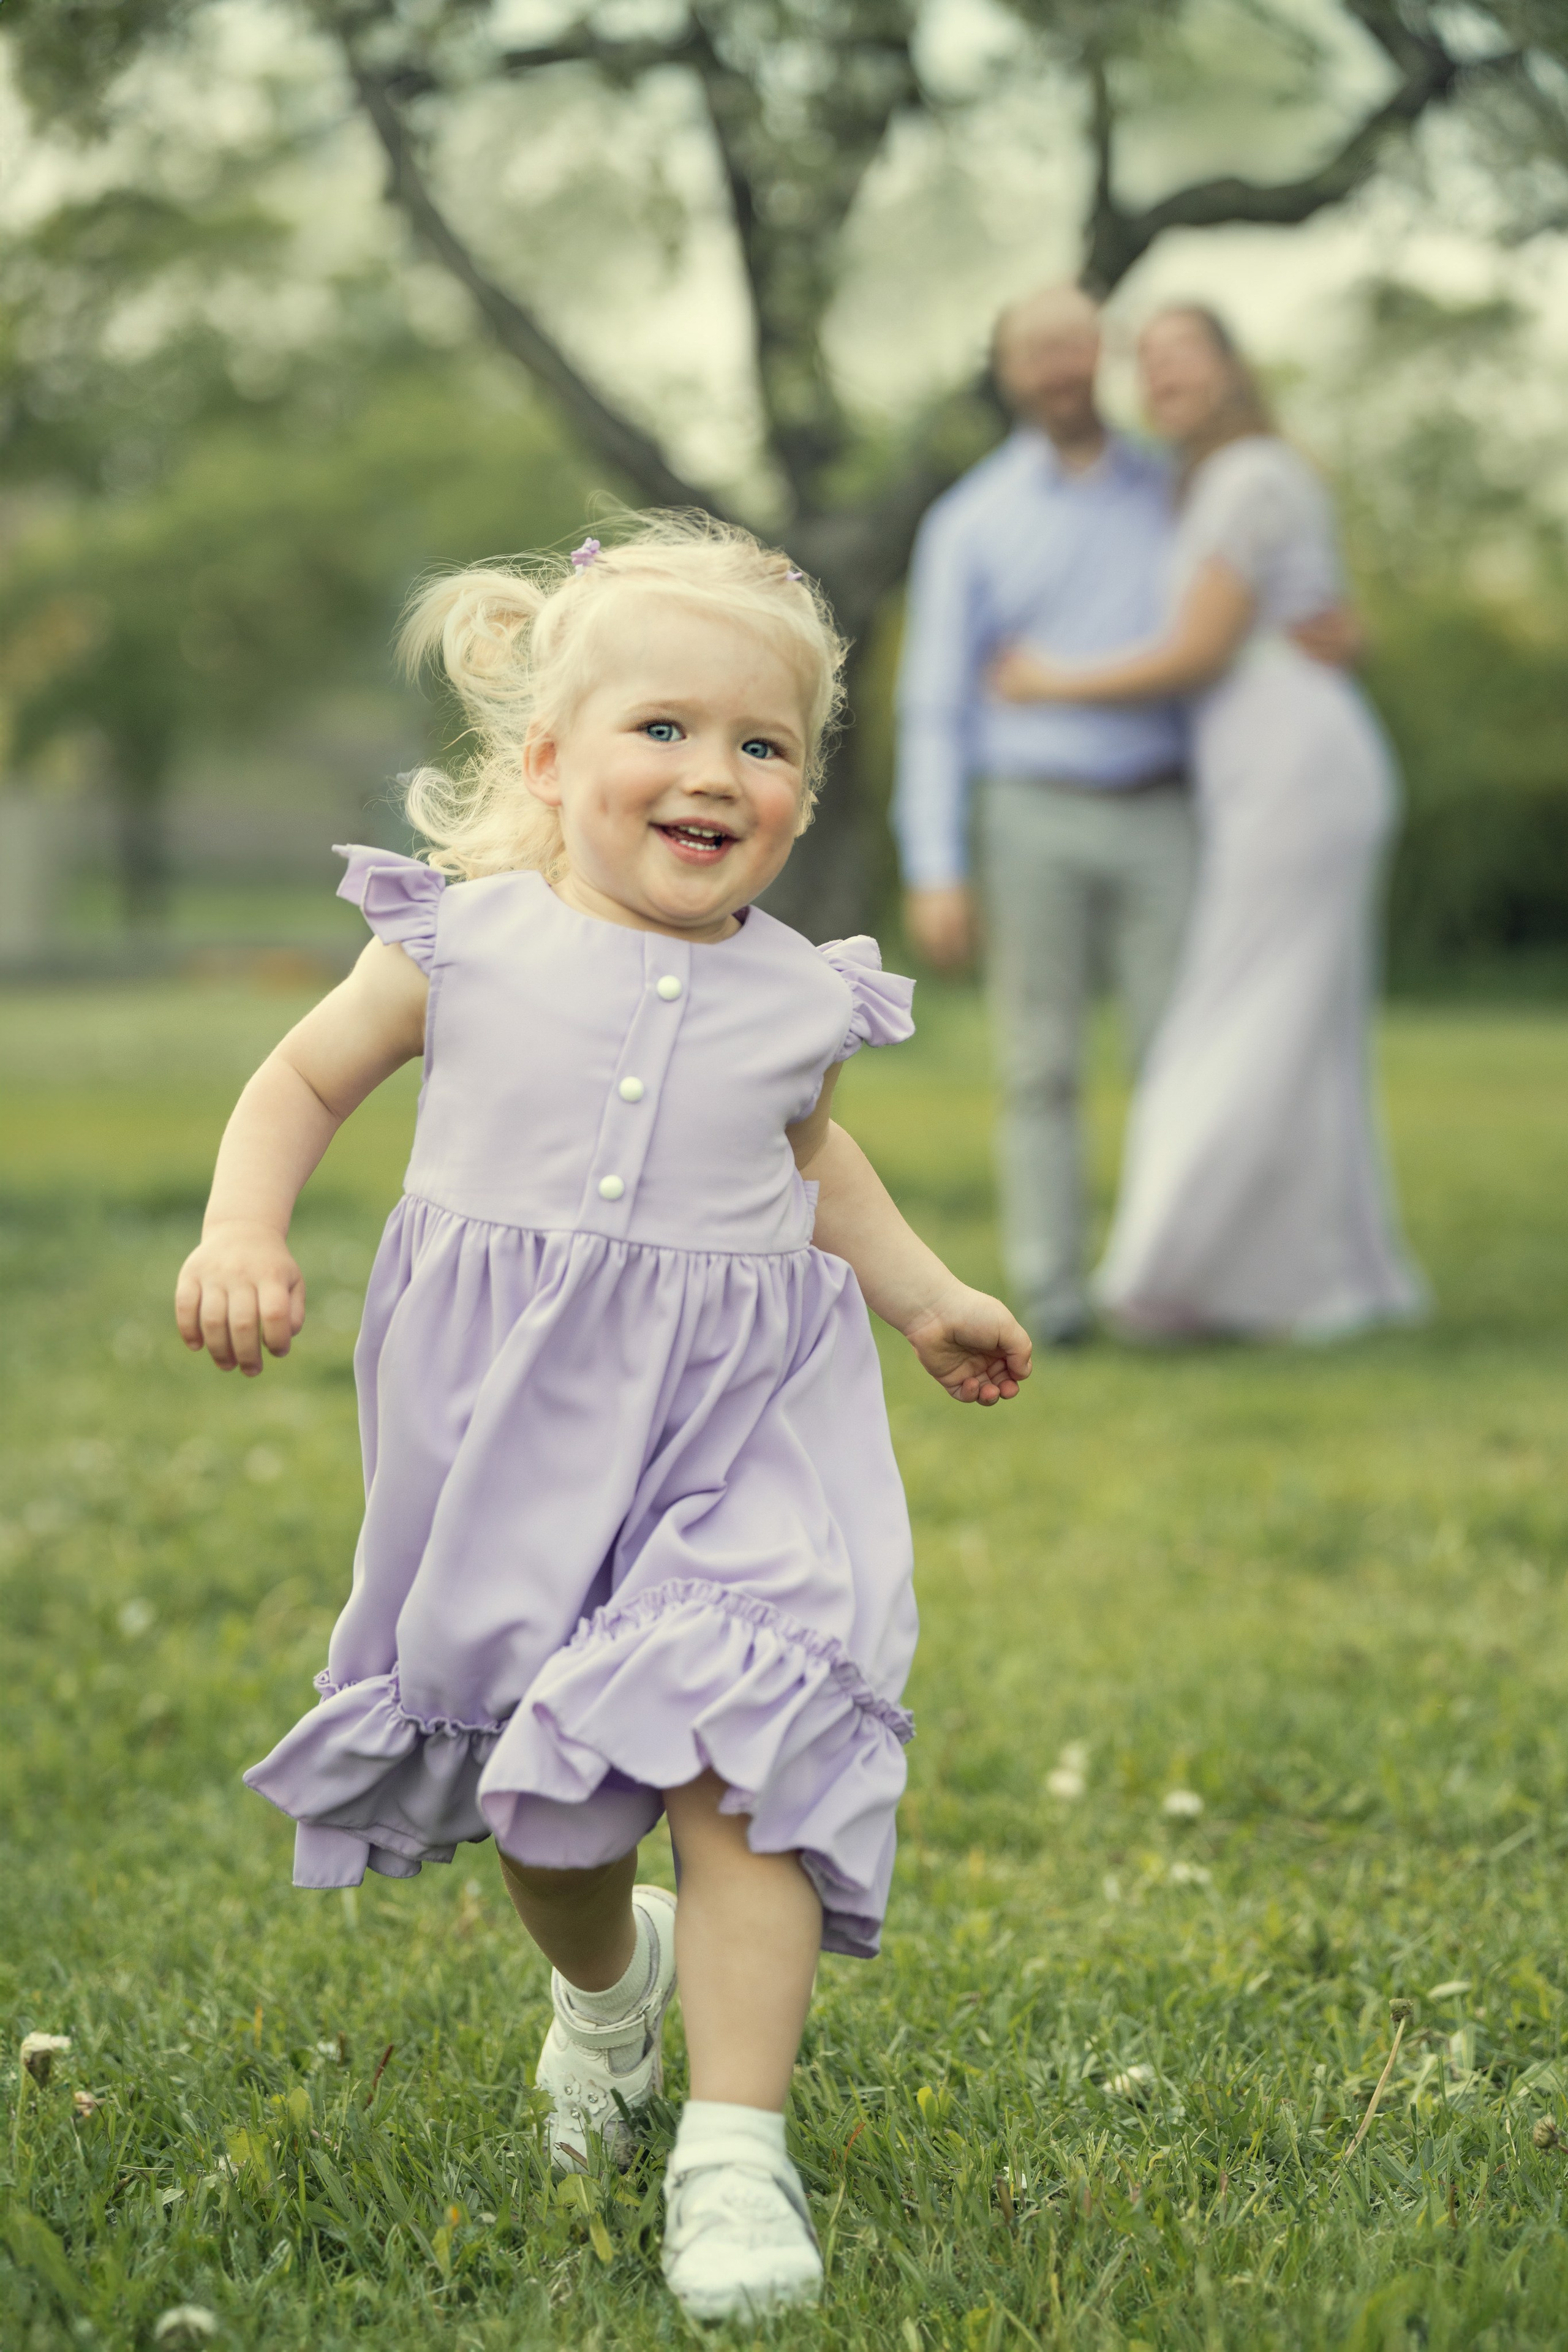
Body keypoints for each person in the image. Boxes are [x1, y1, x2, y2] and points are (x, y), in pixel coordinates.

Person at [173, 515, 1031, 2323]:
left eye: (764, 745)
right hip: (518, 1449)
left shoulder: (805, 993)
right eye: (663, 730)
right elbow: (301, 1075)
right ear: (551, 763)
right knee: (557, 1825)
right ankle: (607, 1993)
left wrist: (928, 1290)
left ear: (802, 787)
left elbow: (815, 1164)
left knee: (735, 1758)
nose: (714, 774)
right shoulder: (460, 943)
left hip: (743, 1442)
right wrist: (244, 1225)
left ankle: (735, 2158)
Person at [990, 306, 1425, 1340]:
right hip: (1261, 770)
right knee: (1286, 1024)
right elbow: (1310, 614)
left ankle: (1176, 1270)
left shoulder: (1247, 478)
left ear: (1234, 368)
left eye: (1187, 356)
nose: (1167, 375)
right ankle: (1292, 1274)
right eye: (1152, 362)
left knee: (1239, 1016)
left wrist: (1050, 682)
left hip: (1293, 771)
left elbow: (1200, 649)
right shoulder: (1215, 482)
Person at [895, 284, 1195, 1346]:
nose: (1061, 367)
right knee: (1040, 1065)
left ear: (1101, 352)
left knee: (1184, 1060)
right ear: (1009, 370)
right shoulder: (970, 520)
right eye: (1038, 351)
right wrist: (935, 863)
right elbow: (933, 704)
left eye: (1076, 345)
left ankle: (1172, 1286)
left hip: (1169, 809)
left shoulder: (1175, 490)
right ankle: (1055, 1297)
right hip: (1028, 815)